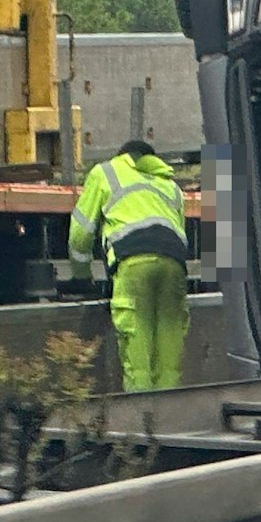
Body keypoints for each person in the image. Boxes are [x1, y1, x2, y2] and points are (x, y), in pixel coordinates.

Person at [68, 139, 190, 391]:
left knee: (137, 348)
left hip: (134, 262)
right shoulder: (171, 187)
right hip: (174, 263)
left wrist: (82, 276)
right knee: (169, 347)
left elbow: (81, 234)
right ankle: (170, 416)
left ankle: (142, 417)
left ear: (123, 156)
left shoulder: (106, 172)